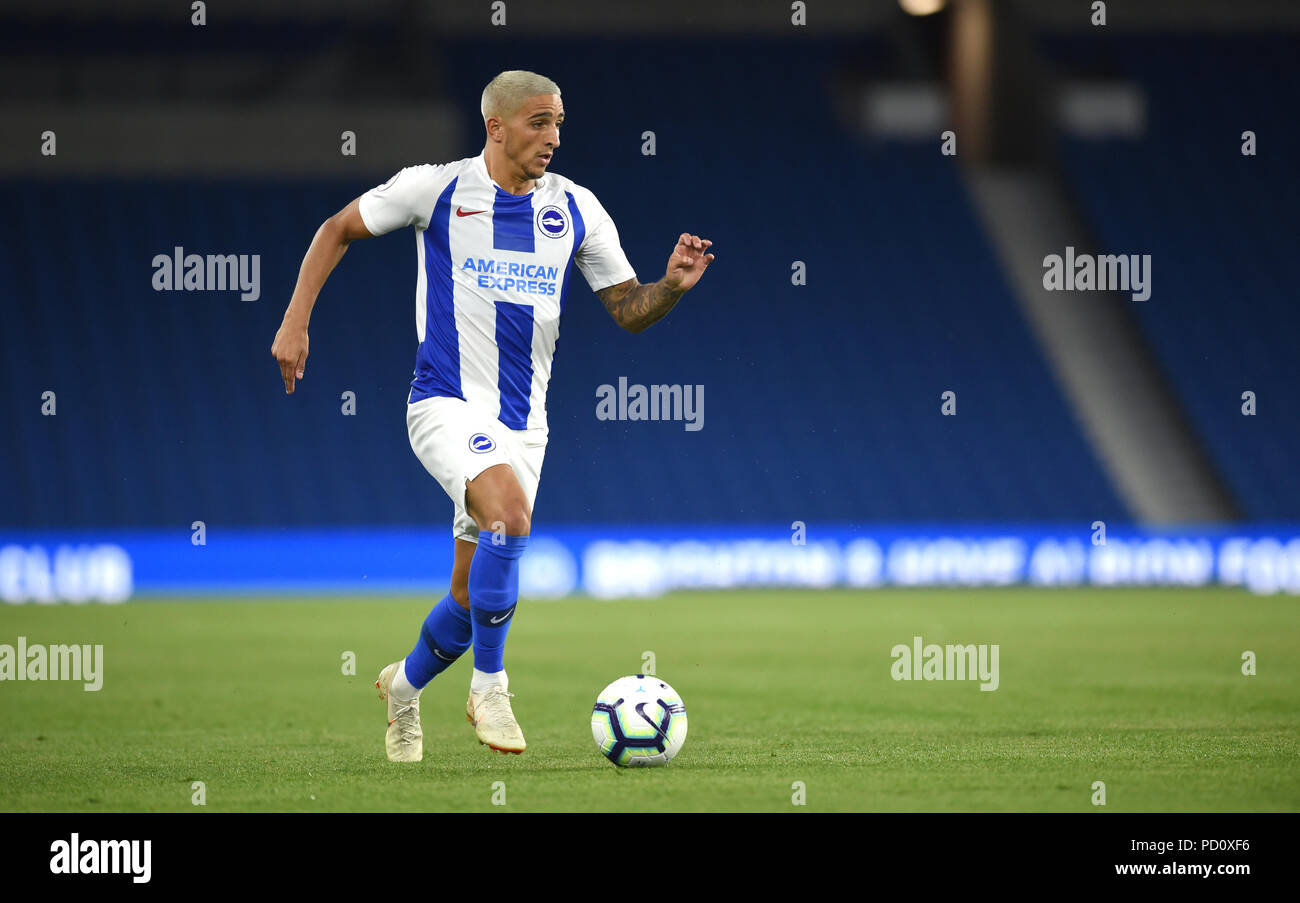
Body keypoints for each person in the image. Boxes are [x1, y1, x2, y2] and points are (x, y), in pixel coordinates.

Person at [270, 70, 714, 762]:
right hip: (444, 402)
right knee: (508, 514)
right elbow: (337, 229)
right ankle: (491, 686)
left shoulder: (578, 209)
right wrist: (296, 321)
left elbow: (628, 310)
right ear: (497, 127)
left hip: (523, 427)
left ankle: (404, 689)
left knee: (467, 597)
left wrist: (673, 289)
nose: (555, 137)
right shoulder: (437, 187)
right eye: (539, 122)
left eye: (560, 122)